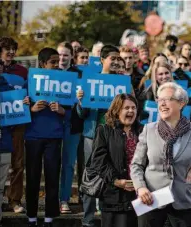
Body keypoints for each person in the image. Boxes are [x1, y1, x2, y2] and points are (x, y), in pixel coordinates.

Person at [130, 82, 191, 227]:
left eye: (168, 99)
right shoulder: (148, 130)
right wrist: (140, 187)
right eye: (159, 99)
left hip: (182, 199)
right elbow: (136, 165)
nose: (162, 104)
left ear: (181, 103)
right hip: (152, 199)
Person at [76, 45, 124, 227]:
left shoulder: (122, 83)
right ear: (102, 60)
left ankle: (108, 220)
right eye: (113, 58)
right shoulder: (90, 80)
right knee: (91, 177)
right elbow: (81, 114)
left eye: (119, 59)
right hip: (92, 136)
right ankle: (87, 220)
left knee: (112, 177)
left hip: (115, 137)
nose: (116, 62)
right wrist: (81, 102)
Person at [24, 48, 65, 227]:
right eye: (53, 62)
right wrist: (31, 109)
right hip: (33, 136)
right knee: (32, 177)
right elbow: (19, 106)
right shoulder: (30, 81)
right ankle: (31, 217)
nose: (57, 65)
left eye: (58, 61)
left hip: (54, 136)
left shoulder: (64, 81)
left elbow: (72, 110)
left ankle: (49, 218)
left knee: (52, 177)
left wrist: (62, 110)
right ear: (42, 64)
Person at [91, 94, 142, 227]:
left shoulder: (143, 131)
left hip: (139, 195)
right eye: (126, 108)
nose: (131, 111)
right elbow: (98, 161)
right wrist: (116, 181)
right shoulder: (104, 130)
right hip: (114, 196)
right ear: (117, 110)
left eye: (134, 107)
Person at [0, 37, 28, 213]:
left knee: (18, 162)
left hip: (17, 121)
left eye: (13, 49)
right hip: (1, 123)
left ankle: (15, 200)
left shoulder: (23, 71)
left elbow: (29, 92)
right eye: (6, 48)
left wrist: (27, 100)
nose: (10, 52)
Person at [57, 42, 84, 214]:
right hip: (52, 123)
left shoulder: (80, 75)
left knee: (68, 164)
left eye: (65, 54)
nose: (62, 58)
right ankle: (54, 198)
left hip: (73, 123)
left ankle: (64, 199)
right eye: (59, 54)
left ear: (71, 57)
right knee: (53, 163)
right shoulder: (50, 72)